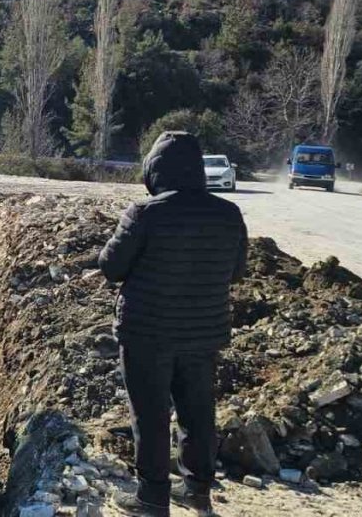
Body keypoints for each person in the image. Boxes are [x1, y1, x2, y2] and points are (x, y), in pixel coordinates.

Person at [98, 131, 248, 517]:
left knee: (149, 415)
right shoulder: (228, 214)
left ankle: (151, 498)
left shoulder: (145, 213)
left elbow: (111, 268)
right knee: (198, 412)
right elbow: (236, 272)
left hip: (147, 333)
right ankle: (197, 492)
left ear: (155, 171)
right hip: (203, 334)